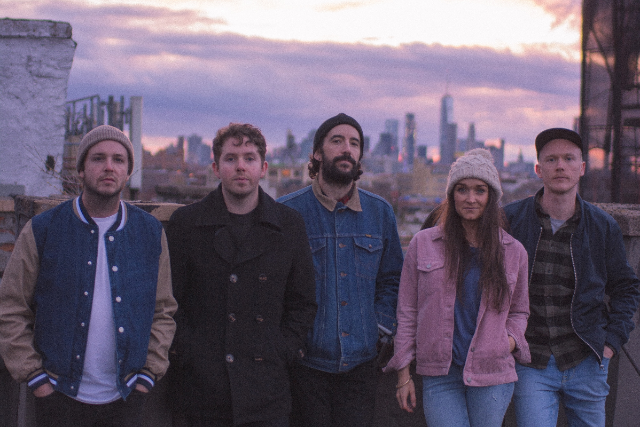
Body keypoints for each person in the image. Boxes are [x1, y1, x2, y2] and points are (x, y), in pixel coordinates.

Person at [0, 125, 177, 427]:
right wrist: (36, 379)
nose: (109, 167)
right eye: (98, 158)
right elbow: (11, 307)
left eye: (118, 160)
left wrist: (147, 376)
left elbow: (163, 310)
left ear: (128, 172)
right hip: (58, 397)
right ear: (81, 170)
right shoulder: (44, 229)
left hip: (127, 398)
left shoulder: (149, 232)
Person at [166, 123, 317, 427]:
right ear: (215, 167)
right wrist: (189, 353)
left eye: (249, 158)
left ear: (263, 168)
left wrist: (282, 350)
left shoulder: (289, 225)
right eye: (231, 158)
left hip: (266, 390)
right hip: (202, 391)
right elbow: (169, 301)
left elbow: (303, 302)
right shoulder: (186, 224)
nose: (240, 167)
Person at [384, 148, 531, 427]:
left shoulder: (513, 252)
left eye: (479, 190)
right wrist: (403, 375)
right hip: (440, 373)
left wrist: (507, 341)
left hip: (492, 373)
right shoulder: (423, 244)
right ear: (451, 195)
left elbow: (520, 311)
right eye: (462, 189)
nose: (470, 198)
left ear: (491, 197)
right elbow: (407, 312)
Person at [504, 128, 640, 427]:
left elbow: (626, 288)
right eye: (551, 159)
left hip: (586, 358)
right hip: (531, 361)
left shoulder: (602, 226)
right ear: (539, 169)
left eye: (568, 159)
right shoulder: (511, 220)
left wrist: (611, 343)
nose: (560, 166)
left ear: (582, 168)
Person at [277, 113, 404, 427]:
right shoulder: (288, 212)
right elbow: (274, 284)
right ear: (317, 153)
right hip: (305, 366)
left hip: (361, 366)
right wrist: (291, 341)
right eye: (337, 141)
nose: (347, 148)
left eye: (354, 143)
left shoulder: (380, 212)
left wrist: (379, 329)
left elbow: (393, 279)